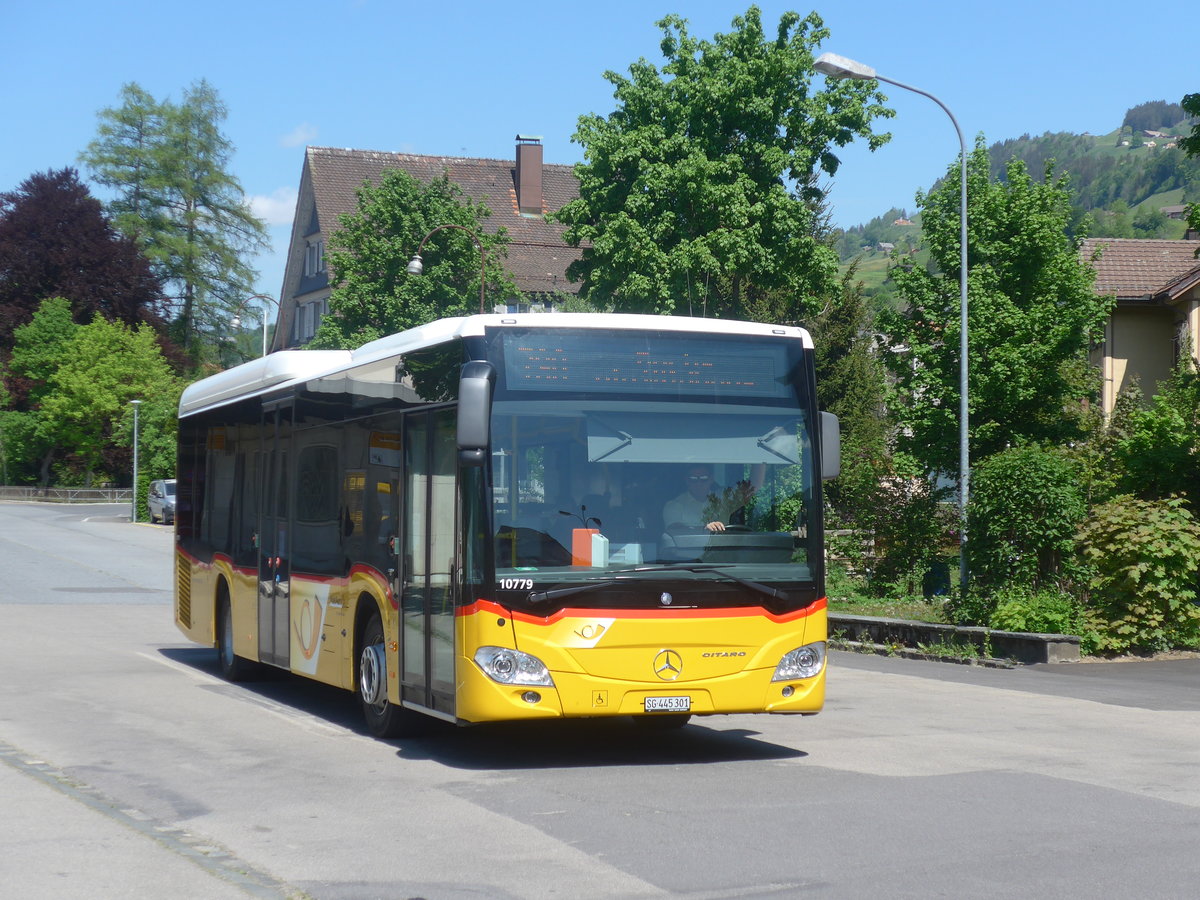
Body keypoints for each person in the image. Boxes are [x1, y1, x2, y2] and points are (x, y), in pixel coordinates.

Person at [662, 464, 756, 533]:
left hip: (723, 556)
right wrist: (705, 529)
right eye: (693, 479)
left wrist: (762, 459)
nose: (699, 483)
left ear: (711, 479)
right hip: (686, 558)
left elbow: (753, 487)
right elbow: (674, 530)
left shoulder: (723, 498)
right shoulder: (674, 505)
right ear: (687, 481)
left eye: (703, 478)